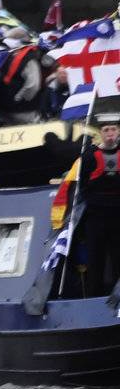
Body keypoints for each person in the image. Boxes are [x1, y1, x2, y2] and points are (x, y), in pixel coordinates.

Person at [79, 116, 120, 297]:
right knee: (96, 259)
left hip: (118, 215)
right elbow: (83, 187)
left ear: (118, 131)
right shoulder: (89, 155)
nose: (110, 134)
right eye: (106, 130)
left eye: (113, 129)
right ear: (100, 134)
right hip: (96, 216)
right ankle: (93, 297)